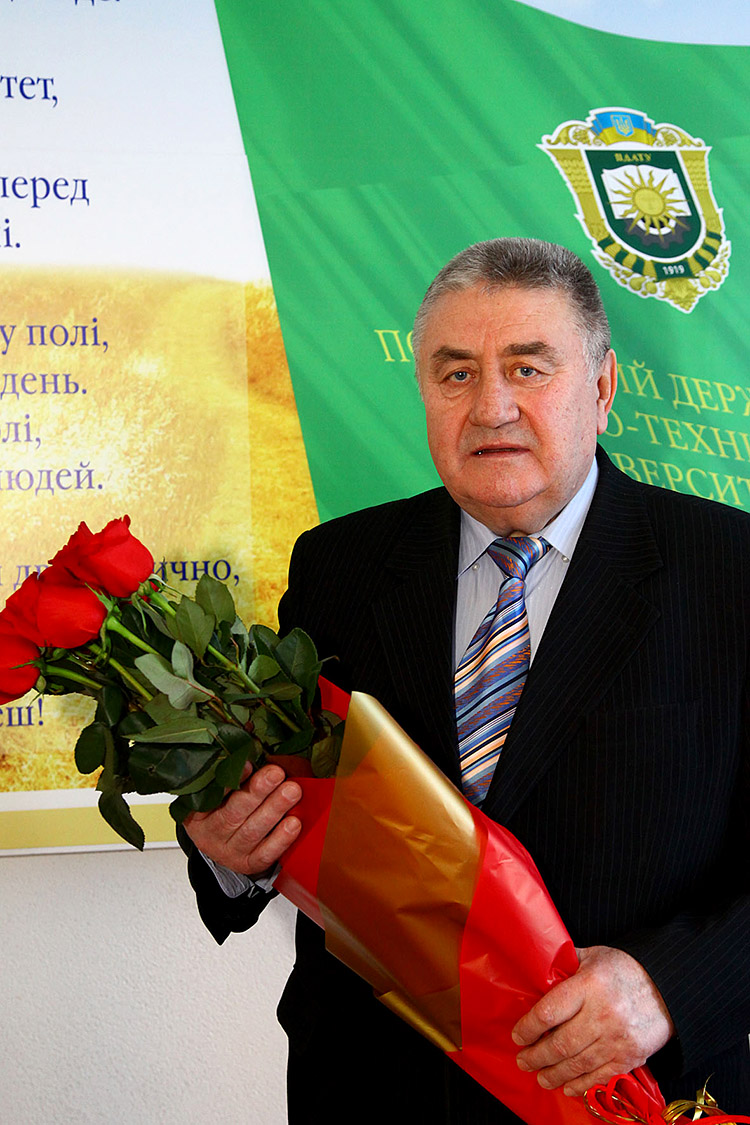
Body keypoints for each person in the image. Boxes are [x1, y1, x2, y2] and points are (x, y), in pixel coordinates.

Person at [180, 238, 750, 1123]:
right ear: (423, 392)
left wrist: (669, 985)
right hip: (372, 1095)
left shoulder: (730, 569)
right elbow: (284, 809)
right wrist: (228, 853)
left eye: (528, 368)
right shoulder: (339, 568)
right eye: (456, 374)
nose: (491, 406)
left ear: (602, 388)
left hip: (629, 1095)